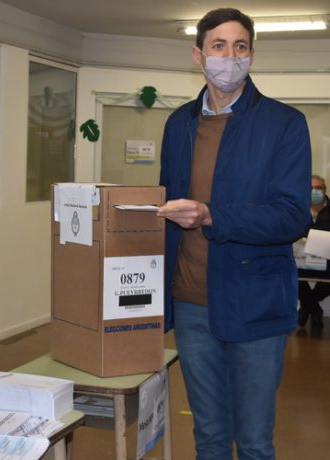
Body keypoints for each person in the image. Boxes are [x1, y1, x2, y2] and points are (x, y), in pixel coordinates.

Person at [156, 8, 311, 460]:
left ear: (252, 55)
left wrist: (211, 215)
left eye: (240, 47)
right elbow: (167, 202)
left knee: (255, 441)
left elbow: (291, 216)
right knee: (208, 437)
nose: (230, 57)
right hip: (190, 303)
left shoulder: (284, 123)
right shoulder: (178, 123)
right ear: (198, 55)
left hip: (255, 304)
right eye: (219, 46)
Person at [298, 174, 330, 328]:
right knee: (289, 270)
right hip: (302, 260)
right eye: (311, 188)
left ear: (325, 190)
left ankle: (307, 307)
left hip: (328, 262)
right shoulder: (298, 211)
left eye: (318, 188)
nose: (314, 192)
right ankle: (314, 309)